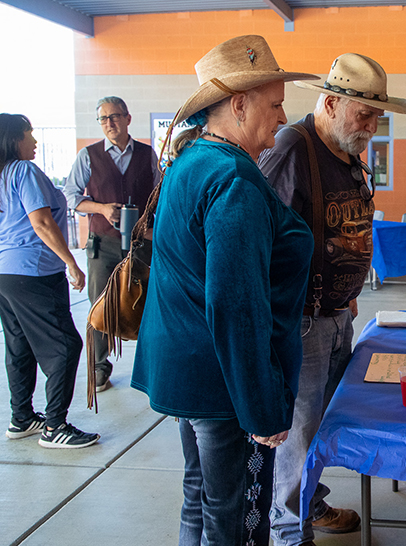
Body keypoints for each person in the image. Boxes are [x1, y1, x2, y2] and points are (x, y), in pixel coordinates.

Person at [130, 35, 317, 545]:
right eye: (276, 104)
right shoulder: (234, 179)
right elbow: (236, 305)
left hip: (187, 369)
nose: (283, 118)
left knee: (201, 498)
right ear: (239, 104)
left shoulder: (191, 163)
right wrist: (261, 407)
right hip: (223, 384)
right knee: (232, 515)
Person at [257, 53, 406, 546]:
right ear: (328, 103)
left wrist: (345, 293)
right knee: (299, 432)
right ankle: (288, 531)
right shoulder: (291, 149)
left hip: (337, 313)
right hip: (301, 321)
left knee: (323, 422)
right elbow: (262, 242)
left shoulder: (346, 153)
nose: (371, 126)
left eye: (376, 116)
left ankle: (312, 501)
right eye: (363, 114)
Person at [0, 114, 100, 449]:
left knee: (20, 344)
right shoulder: (22, 171)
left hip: (7, 273)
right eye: (29, 133)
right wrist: (70, 262)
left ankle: (22, 418)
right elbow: (41, 222)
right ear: (14, 139)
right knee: (65, 345)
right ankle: (55, 425)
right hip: (34, 271)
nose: (34, 140)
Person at [64, 96, 161, 393]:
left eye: (115, 116)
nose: (110, 123)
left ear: (128, 118)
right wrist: (102, 209)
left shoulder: (147, 154)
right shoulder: (88, 155)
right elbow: (71, 195)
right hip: (102, 243)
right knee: (101, 305)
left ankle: (153, 364)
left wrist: (151, 225)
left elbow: (161, 193)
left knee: (147, 302)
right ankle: (98, 367)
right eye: (103, 119)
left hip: (141, 243)